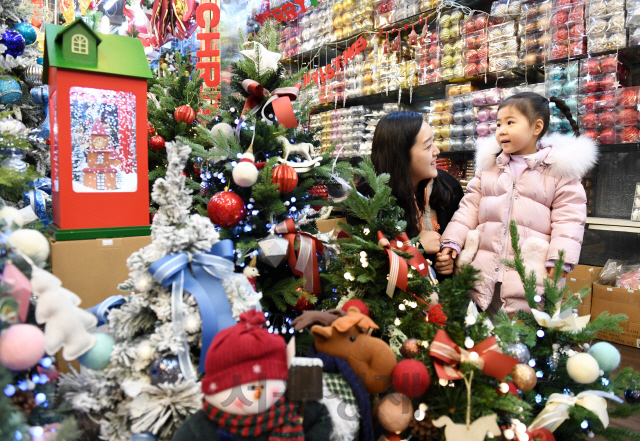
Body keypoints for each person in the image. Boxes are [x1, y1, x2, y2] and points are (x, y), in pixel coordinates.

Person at [440, 92, 598, 315]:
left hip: (530, 276)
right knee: (483, 337)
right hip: (485, 273)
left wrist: (560, 259)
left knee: (525, 339)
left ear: (536, 127)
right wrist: (452, 240)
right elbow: (469, 208)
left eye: (510, 122)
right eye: (498, 124)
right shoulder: (489, 168)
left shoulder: (559, 172)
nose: (501, 130)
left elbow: (570, 221)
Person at [364, 111, 464, 277]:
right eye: (427, 146)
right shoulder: (368, 198)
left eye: (434, 142)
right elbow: (366, 263)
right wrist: (416, 247)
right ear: (401, 155)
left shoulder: (449, 186)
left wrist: (451, 259)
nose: (437, 151)